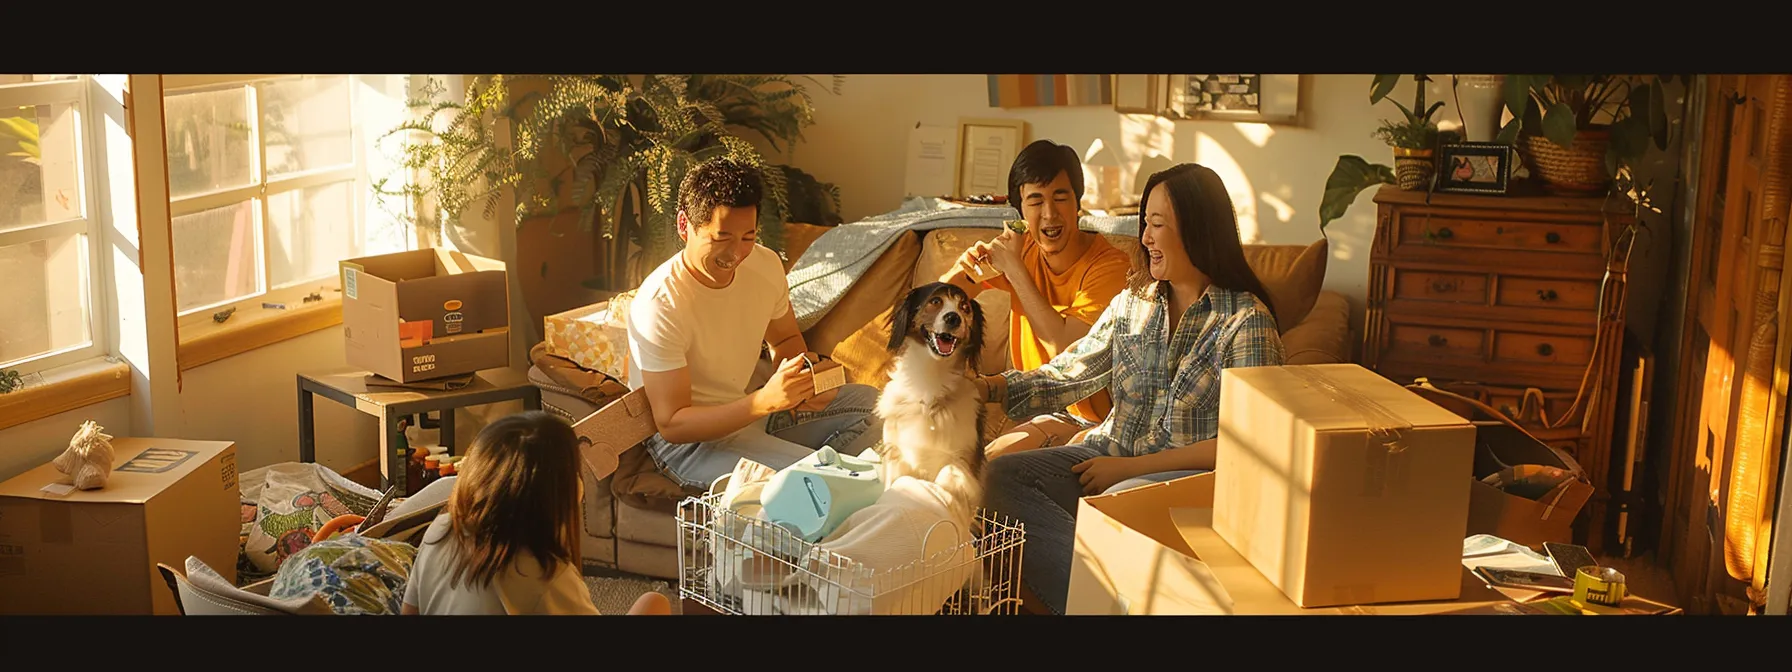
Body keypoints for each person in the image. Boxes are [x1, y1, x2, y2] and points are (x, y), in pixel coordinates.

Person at [973, 162, 1286, 615]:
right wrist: (985, 388)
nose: (1145, 238)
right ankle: (1106, 606)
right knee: (997, 477)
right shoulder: (1133, 304)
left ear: (1197, 230)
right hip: (1109, 454)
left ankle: (1102, 604)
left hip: (1186, 480)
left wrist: (1129, 468)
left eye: (1157, 225)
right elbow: (1071, 373)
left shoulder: (1247, 322)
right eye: (1145, 224)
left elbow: (1247, 446)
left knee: (1122, 499)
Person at [628, 156, 883, 491]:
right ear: (683, 225)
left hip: (753, 415)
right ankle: (820, 478)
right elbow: (672, 424)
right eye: (722, 237)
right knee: (807, 484)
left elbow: (786, 338)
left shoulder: (764, 265)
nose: (736, 253)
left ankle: (825, 475)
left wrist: (801, 383)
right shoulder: (660, 305)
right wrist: (764, 401)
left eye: (747, 237)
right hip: (690, 446)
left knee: (879, 408)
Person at [939, 139, 1131, 458]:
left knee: (988, 466)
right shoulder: (1022, 247)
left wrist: (1015, 270)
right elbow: (938, 302)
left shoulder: (1110, 266)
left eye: (1060, 197)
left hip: (1092, 419)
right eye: (1035, 201)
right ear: (1020, 210)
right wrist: (965, 269)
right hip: (1035, 407)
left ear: (1077, 203)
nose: (1049, 214)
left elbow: (1068, 352)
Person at [401, 411, 672, 615]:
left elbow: (409, 612)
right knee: (654, 603)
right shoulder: (547, 576)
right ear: (556, 495)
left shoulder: (444, 527)